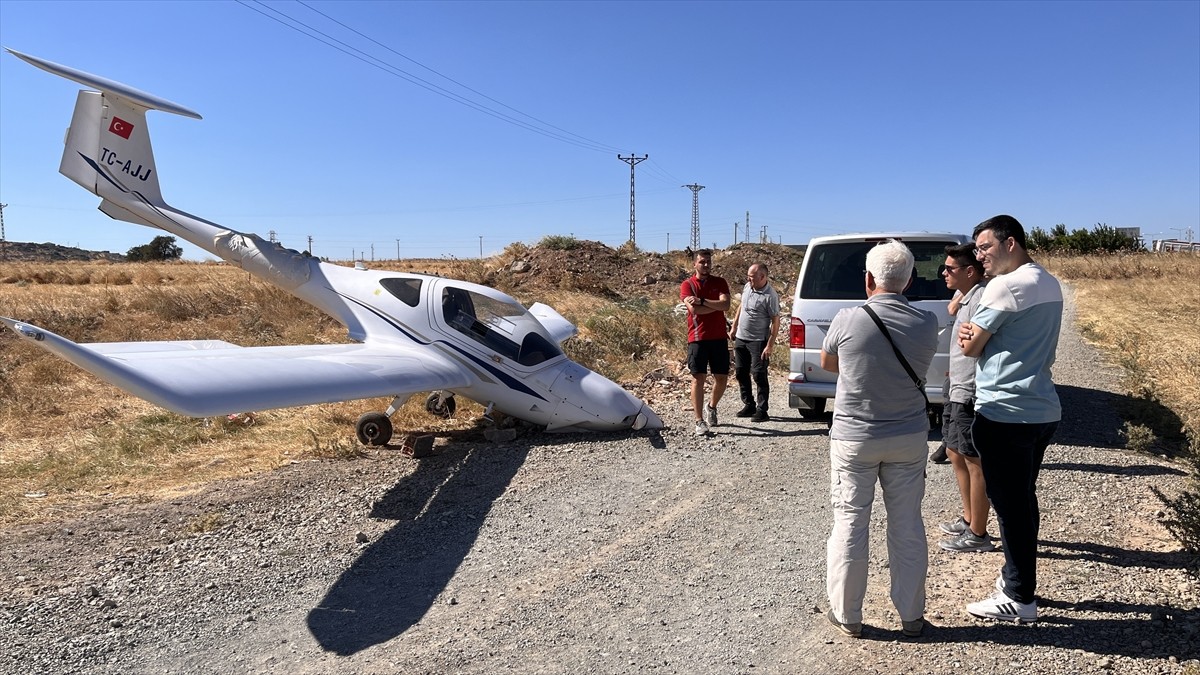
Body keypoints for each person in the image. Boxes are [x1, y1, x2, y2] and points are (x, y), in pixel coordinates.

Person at [821, 239, 938, 639]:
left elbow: (827, 361)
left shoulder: (848, 318)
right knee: (906, 525)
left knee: (850, 523)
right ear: (907, 282)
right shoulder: (926, 323)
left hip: (855, 437)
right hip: (908, 436)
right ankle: (911, 616)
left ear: (868, 279)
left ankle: (848, 615)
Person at [958, 215, 1063, 624]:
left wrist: (973, 336)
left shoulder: (1004, 286)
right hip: (1041, 409)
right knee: (1022, 500)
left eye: (984, 248)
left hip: (1004, 411)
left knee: (1012, 507)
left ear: (1011, 243)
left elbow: (969, 347)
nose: (979, 257)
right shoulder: (1049, 282)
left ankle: (1020, 596)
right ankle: (1015, 582)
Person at [936, 243, 994, 554]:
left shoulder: (981, 298)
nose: (944, 273)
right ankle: (970, 519)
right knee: (956, 453)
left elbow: (976, 344)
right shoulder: (969, 295)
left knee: (974, 461)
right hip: (956, 384)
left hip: (969, 389)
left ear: (970, 271)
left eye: (950, 269)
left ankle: (978, 534)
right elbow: (951, 313)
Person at [680, 249, 731, 436]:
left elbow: (725, 305)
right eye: (702, 262)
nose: (706, 265)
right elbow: (694, 311)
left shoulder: (720, 282)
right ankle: (699, 420)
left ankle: (712, 406)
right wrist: (714, 305)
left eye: (709, 261)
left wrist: (702, 301)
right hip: (697, 339)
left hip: (718, 338)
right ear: (694, 264)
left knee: (721, 378)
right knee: (698, 379)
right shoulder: (687, 285)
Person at [728, 263, 781, 423]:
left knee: (758, 374)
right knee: (740, 372)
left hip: (758, 341)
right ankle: (749, 404)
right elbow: (741, 307)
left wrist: (770, 345)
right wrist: (734, 326)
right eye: (748, 277)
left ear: (762, 277)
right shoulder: (747, 287)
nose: (749, 280)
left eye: (752, 278)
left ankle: (762, 410)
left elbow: (776, 322)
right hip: (742, 338)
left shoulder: (770, 296)